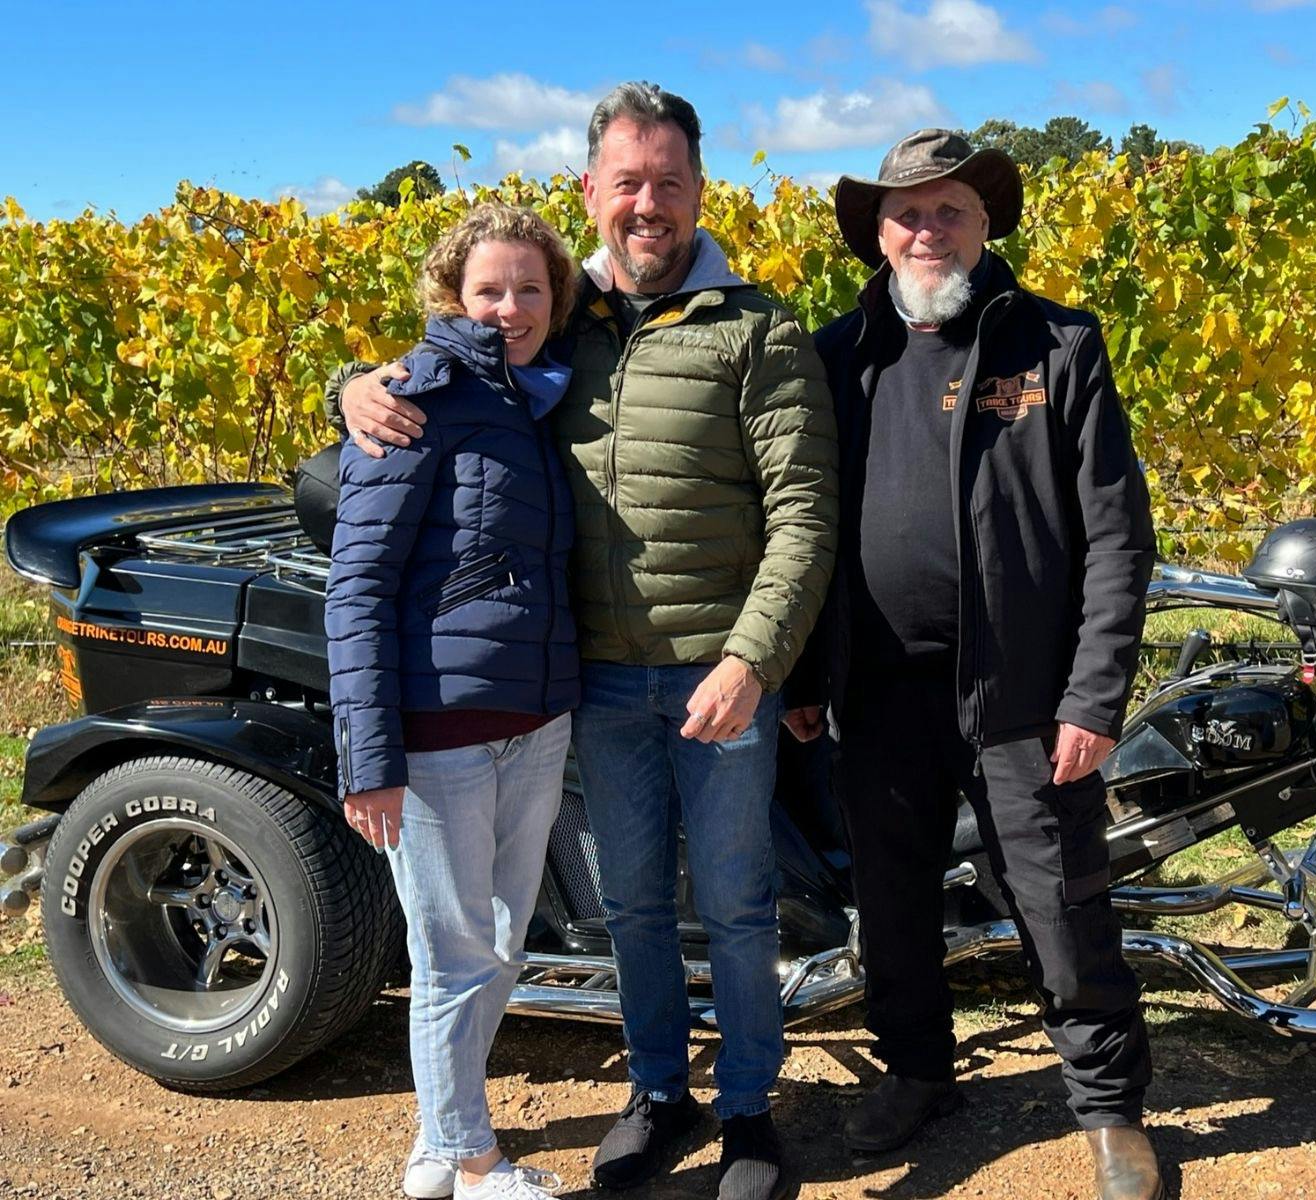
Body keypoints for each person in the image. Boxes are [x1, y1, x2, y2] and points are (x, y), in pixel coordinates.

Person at [327, 83, 837, 1200]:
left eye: (667, 181)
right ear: (591, 193)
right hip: (592, 682)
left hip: (720, 675)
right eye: (626, 183)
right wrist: (352, 388)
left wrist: (754, 660)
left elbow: (803, 512)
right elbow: (437, 377)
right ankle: (658, 1091)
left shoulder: (757, 328)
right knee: (634, 904)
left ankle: (750, 1107)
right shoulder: (558, 329)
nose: (646, 203)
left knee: (740, 901)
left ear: (699, 189)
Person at [784, 129, 1165, 1200]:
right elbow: (804, 528)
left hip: (1024, 697)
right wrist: (809, 677)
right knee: (891, 901)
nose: (925, 230)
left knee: (1060, 901)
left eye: (948, 210)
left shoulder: (1055, 346)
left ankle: (1107, 1106)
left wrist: (1092, 693)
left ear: (984, 223)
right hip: (878, 690)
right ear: (878, 234)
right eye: (905, 215)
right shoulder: (836, 355)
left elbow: (1114, 536)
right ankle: (916, 1073)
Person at [324, 202, 581, 1200]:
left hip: (535, 723)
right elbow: (359, 588)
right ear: (451, 295)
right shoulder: (408, 398)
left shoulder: (541, 396)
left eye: (530, 288)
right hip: (438, 739)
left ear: (556, 297)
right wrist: (370, 759)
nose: (511, 306)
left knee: (502, 940)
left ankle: (438, 1140)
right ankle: (475, 1162)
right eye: (489, 288)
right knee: (450, 952)